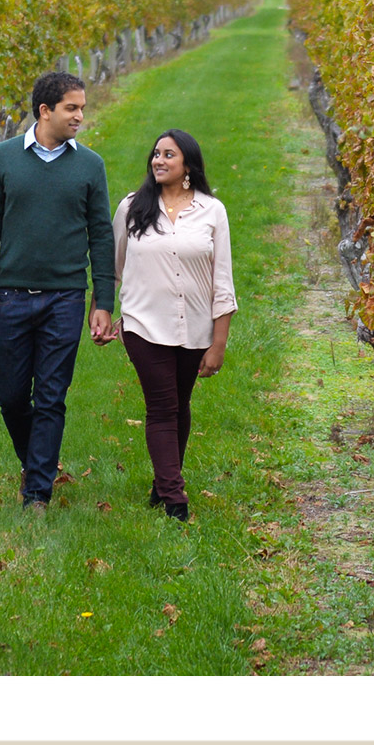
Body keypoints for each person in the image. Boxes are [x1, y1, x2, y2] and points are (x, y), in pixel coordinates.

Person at [0, 71, 116, 515]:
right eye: (72, 108)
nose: (81, 116)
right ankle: (37, 465)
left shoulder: (90, 165)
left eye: (83, 108)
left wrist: (102, 301)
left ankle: (37, 494)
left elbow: (101, 236)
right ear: (45, 110)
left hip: (65, 298)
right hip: (12, 296)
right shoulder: (5, 158)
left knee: (51, 396)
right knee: (11, 396)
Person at [113, 129, 236, 523]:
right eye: (156, 154)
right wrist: (114, 309)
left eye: (169, 154)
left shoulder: (211, 211)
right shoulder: (132, 208)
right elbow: (117, 268)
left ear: (188, 165)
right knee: (162, 407)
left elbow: (223, 280)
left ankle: (162, 481)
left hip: (196, 327)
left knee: (180, 405)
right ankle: (174, 499)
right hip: (143, 325)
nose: (159, 160)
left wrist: (218, 343)